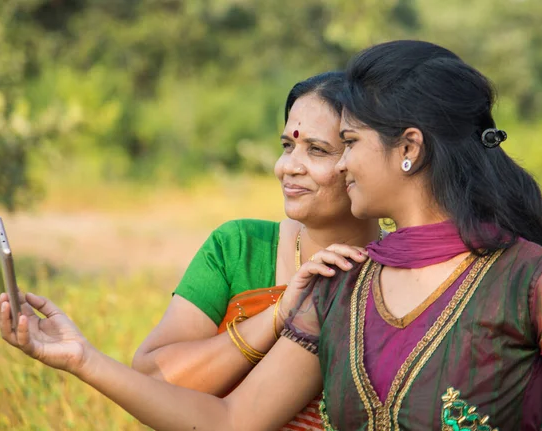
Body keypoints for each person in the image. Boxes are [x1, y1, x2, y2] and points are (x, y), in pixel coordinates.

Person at [0, 40, 542, 430]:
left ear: (409, 149)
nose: (337, 167)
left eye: (347, 144)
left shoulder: (532, 279)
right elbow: (232, 420)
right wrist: (81, 359)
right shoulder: (341, 286)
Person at [130, 71, 379, 431]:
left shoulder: (400, 270)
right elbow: (152, 379)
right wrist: (278, 316)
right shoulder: (240, 247)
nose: (286, 167)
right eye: (287, 146)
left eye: (317, 150)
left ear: (362, 159)